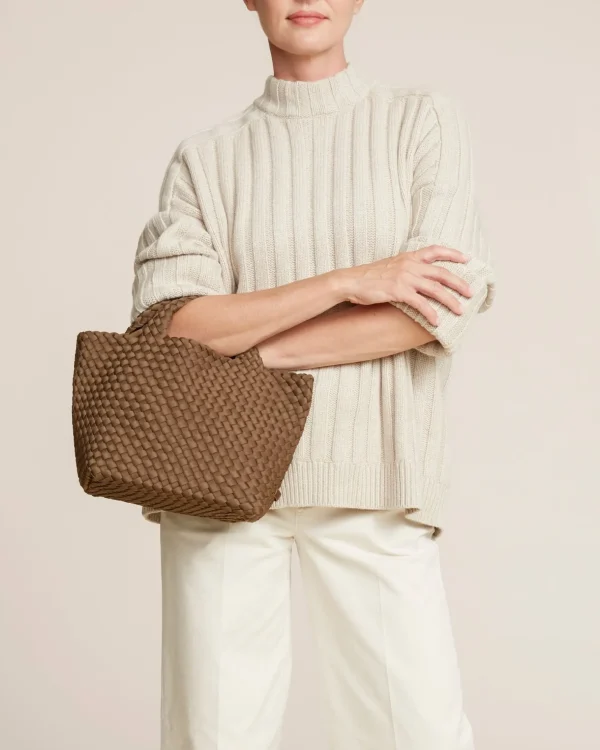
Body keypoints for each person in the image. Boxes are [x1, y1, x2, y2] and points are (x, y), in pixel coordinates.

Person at [129, 1, 496, 748]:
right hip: (218, 483)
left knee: (419, 734)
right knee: (212, 737)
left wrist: (252, 350)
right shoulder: (206, 158)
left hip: (373, 477)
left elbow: (434, 311)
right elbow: (175, 325)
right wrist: (348, 283)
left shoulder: (419, 122)